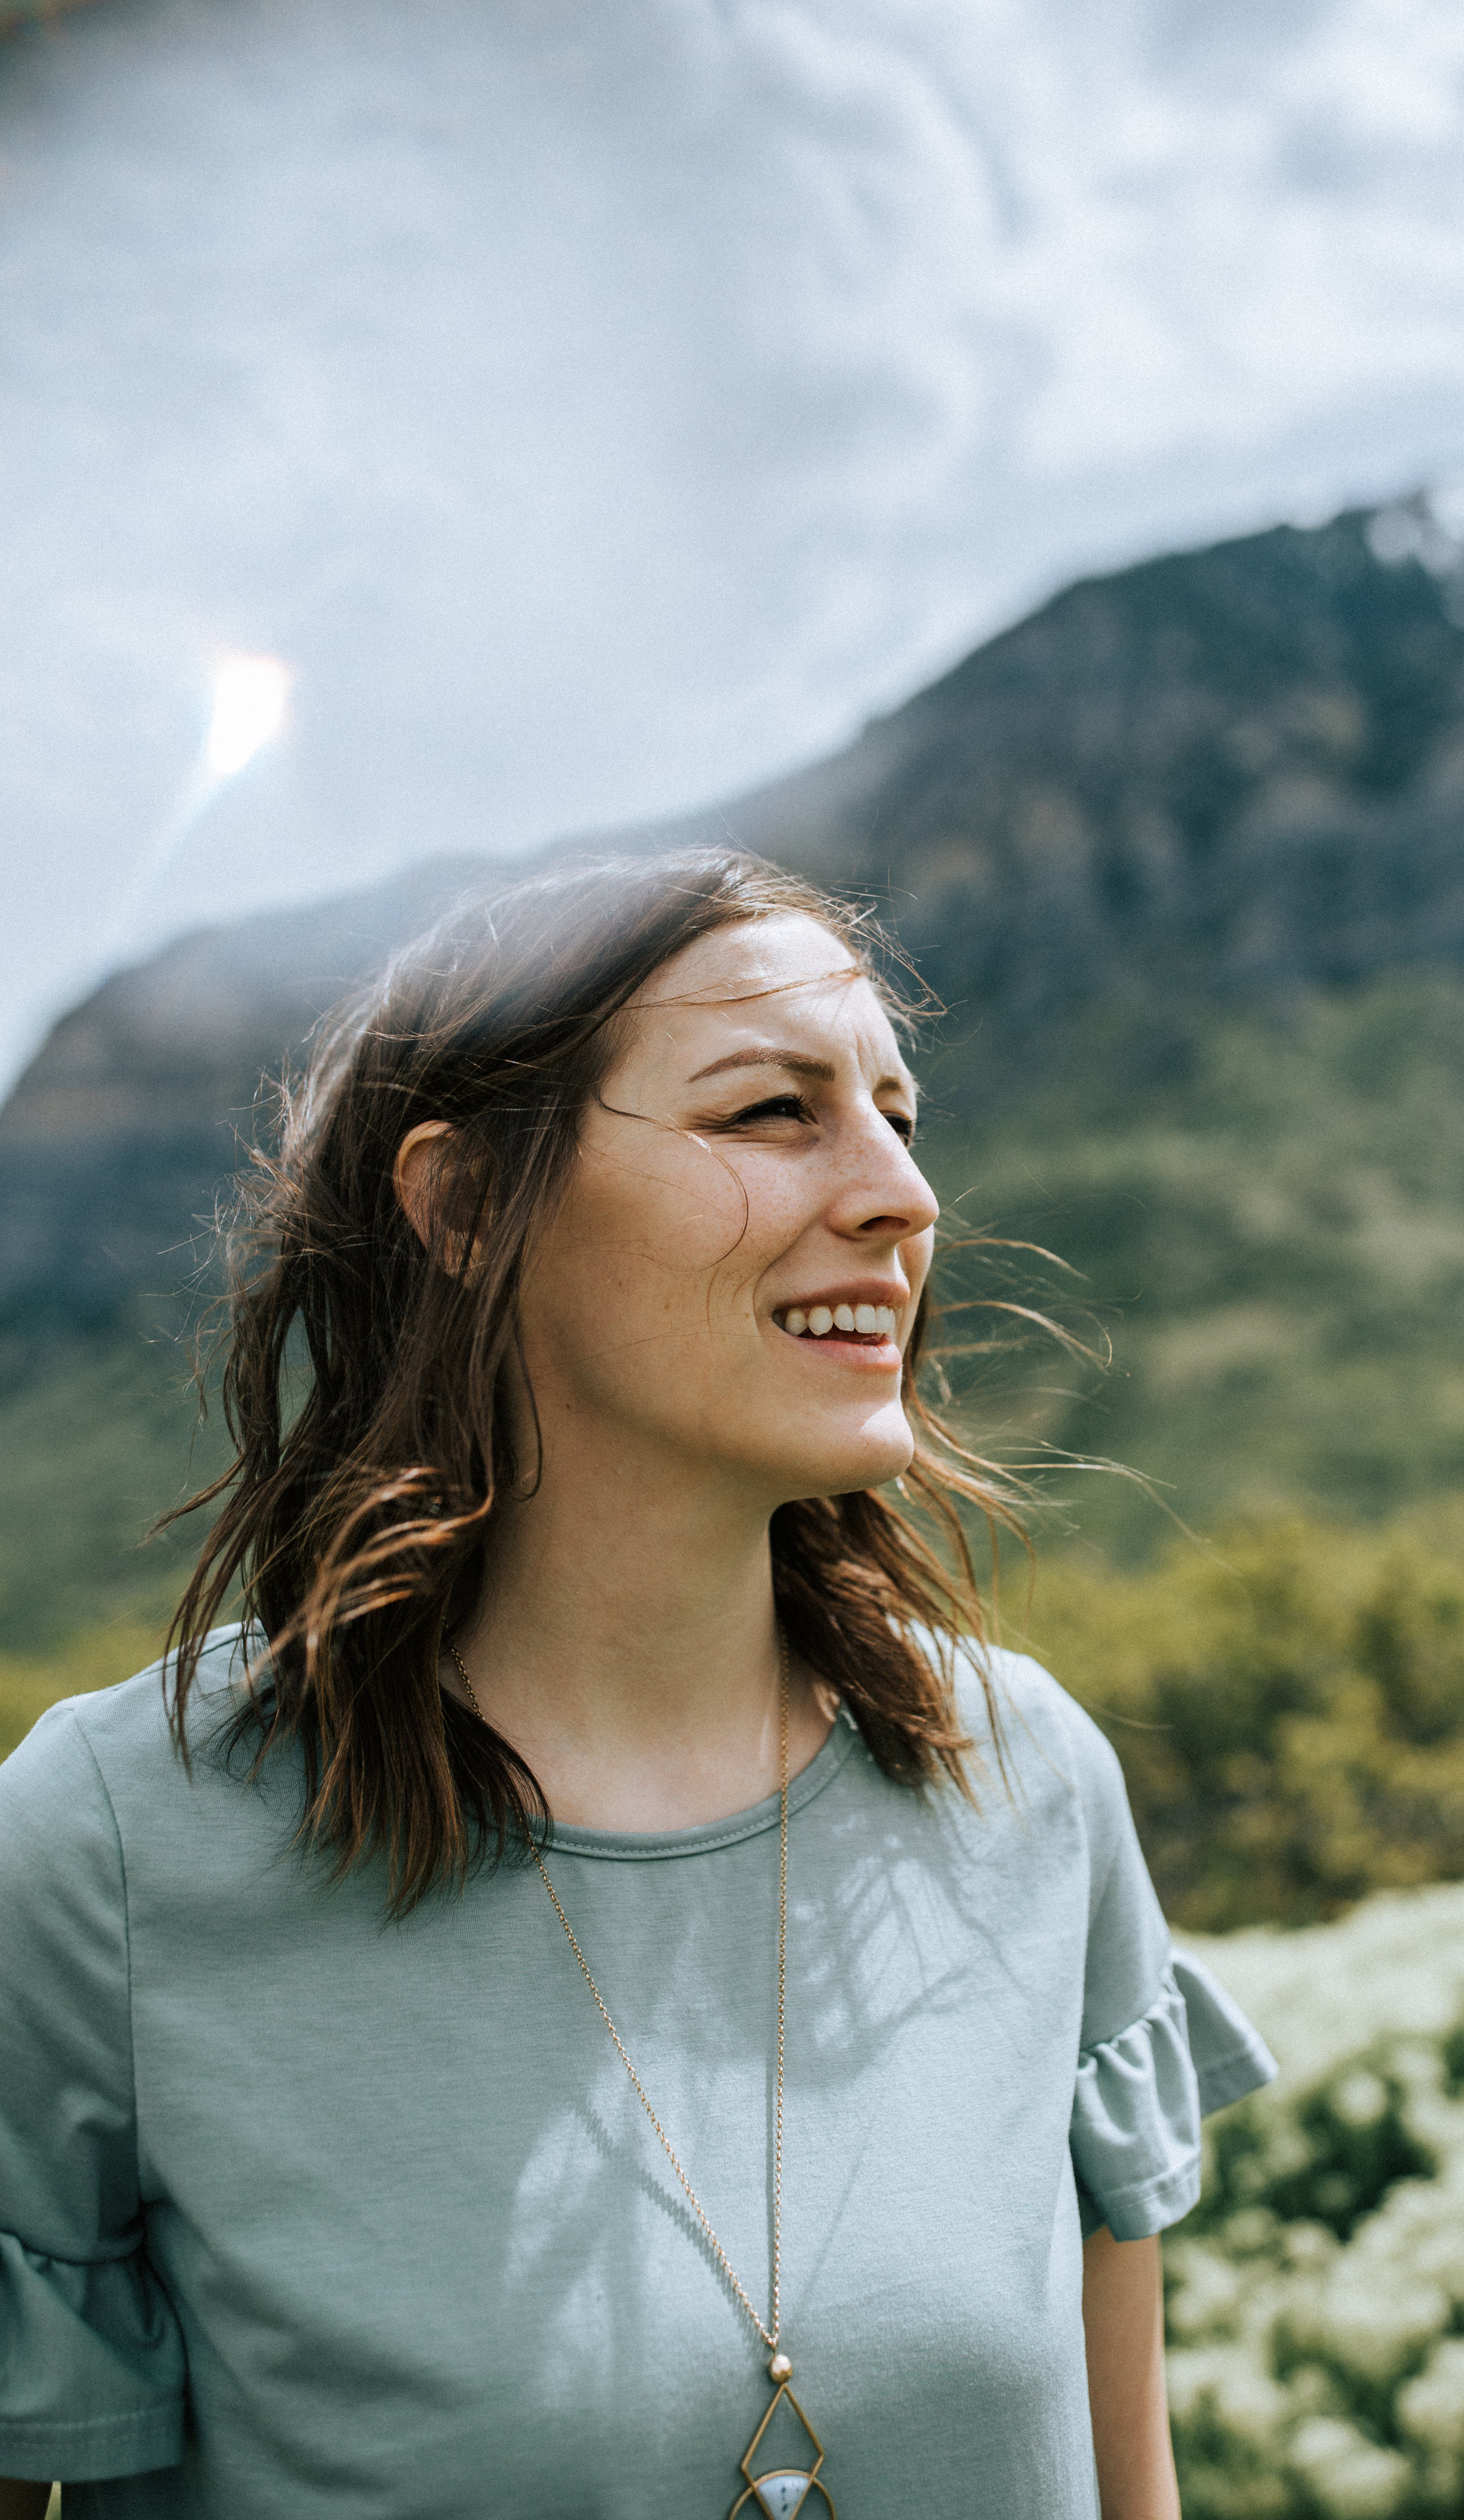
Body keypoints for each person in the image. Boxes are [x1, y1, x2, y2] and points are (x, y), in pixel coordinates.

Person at [0, 849, 1274, 2519]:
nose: (900, 1193)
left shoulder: (1021, 1773)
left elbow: (1126, 2489)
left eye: (897, 1113)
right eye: (771, 1112)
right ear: (460, 1207)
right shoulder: (104, 1859)